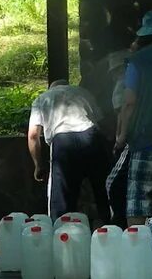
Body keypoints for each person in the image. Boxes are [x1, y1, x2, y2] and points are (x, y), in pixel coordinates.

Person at [114, 10, 152, 224]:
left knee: (138, 196)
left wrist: (122, 135)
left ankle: (137, 242)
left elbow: (129, 101)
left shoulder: (136, 61)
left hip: (144, 137)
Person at [27, 81, 112, 222]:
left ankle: (60, 229)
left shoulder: (42, 98)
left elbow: (33, 135)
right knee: (102, 188)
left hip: (63, 141)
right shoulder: (83, 92)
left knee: (60, 195)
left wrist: (38, 165)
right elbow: (101, 121)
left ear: (51, 88)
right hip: (91, 135)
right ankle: (111, 225)